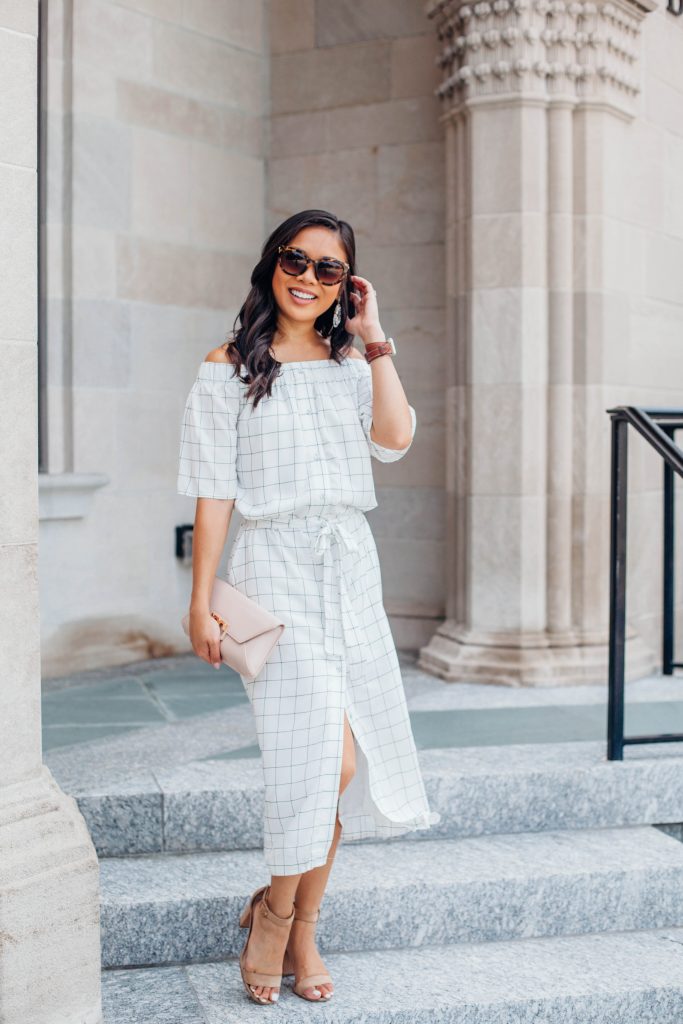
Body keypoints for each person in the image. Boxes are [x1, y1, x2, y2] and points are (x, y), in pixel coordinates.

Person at [177, 209, 440, 1006]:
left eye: (330, 270)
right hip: (271, 574)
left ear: (345, 286)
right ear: (271, 266)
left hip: (348, 572)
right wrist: (199, 603)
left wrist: (376, 336)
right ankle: (277, 920)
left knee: (332, 762)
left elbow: (393, 440)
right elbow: (213, 493)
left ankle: (293, 920)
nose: (309, 279)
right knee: (324, 760)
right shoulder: (226, 368)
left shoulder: (353, 362)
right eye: (297, 260)